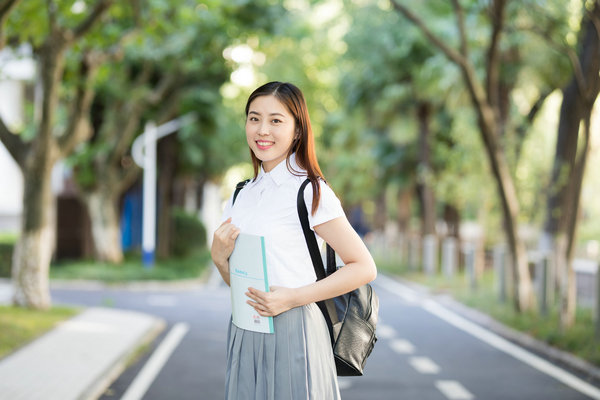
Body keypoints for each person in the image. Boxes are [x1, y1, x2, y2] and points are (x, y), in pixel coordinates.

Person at [211, 81, 377, 399]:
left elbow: (363, 267)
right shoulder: (239, 196)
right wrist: (220, 260)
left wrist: (292, 297)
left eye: (276, 120)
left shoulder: (310, 191)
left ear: (297, 130)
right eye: (254, 118)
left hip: (295, 327)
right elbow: (242, 285)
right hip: (246, 328)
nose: (262, 130)